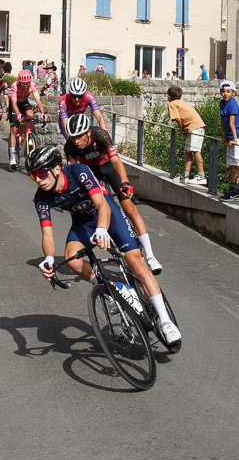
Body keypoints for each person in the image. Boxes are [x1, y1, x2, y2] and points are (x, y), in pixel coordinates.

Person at [29, 145, 181, 346]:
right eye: (33, 176)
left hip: (107, 213)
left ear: (57, 169)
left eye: (41, 173)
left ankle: (166, 320)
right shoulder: (41, 197)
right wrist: (48, 258)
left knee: (135, 263)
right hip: (83, 223)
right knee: (72, 260)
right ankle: (112, 290)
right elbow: (47, 233)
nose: (38, 179)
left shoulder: (78, 172)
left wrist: (102, 229)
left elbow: (102, 205)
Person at [64, 113, 163, 274]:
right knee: (98, 207)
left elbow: (116, 161)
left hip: (107, 166)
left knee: (129, 208)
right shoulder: (70, 146)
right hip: (89, 172)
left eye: (79, 137)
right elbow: (73, 172)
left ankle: (151, 256)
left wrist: (125, 182)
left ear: (88, 132)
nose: (76, 142)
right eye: (73, 137)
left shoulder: (101, 135)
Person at [166, 85, 207, 185]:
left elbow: (178, 118)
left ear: (169, 97)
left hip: (195, 128)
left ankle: (201, 176)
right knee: (188, 151)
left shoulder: (172, 104)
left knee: (196, 151)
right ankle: (186, 175)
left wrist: (181, 129)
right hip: (195, 127)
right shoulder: (181, 103)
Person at [8, 69, 47, 169]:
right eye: (23, 84)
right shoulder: (15, 86)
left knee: (30, 114)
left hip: (24, 102)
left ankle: (27, 132)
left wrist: (43, 114)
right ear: (20, 82)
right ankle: (12, 154)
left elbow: (38, 101)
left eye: (27, 83)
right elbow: (13, 104)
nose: (26, 86)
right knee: (14, 129)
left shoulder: (32, 86)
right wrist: (17, 114)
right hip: (15, 104)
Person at [219, 81, 239, 201]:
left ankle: (235, 193)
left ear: (234, 93)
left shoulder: (233, 105)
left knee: (235, 165)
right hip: (231, 137)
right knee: (231, 165)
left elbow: (231, 123)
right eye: (223, 92)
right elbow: (223, 122)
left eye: (228, 92)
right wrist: (226, 137)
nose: (225, 94)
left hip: (238, 137)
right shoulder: (222, 103)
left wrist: (234, 139)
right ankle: (233, 190)